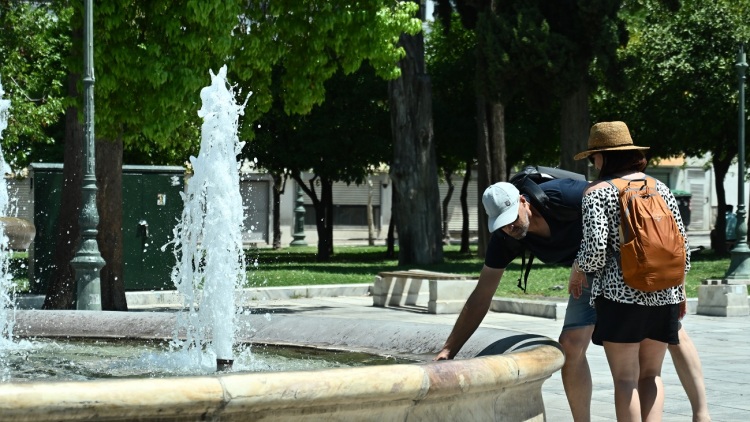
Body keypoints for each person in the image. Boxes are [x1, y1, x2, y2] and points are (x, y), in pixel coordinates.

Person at [435, 154, 710, 420]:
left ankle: (701, 414)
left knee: (670, 331)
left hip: (625, 264)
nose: (510, 228)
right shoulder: (507, 239)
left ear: (522, 200)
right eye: (502, 224)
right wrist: (449, 350)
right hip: (587, 275)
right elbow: (482, 295)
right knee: (570, 345)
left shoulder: (564, 195)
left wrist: (674, 282)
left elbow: (620, 202)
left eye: (512, 218)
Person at [572, 121, 709, 421]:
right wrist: (679, 288)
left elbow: (595, 253)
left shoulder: (597, 193)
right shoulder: (660, 187)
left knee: (625, 379)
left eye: (595, 155)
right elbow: (682, 248)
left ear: (605, 156)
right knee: (651, 375)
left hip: (620, 298)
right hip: (665, 295)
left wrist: (578, 270)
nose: (593, 162)